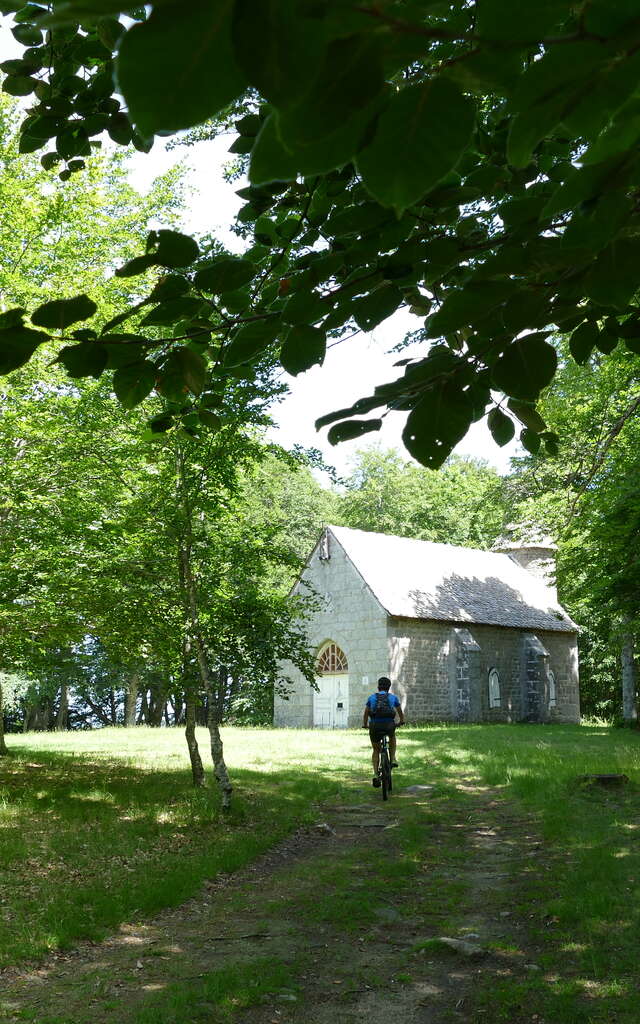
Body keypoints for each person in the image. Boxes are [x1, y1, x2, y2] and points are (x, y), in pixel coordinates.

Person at [363, 676, 405, 787]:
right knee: (392, 736)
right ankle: (393, 759)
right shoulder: (393, 698)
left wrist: (365, 724)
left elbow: (366, 713)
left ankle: (376, 774)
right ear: (389, 687)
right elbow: (400, 712)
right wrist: (401, 721)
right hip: (388, 725)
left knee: (376, 749)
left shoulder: (371, 698)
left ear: (378, 687)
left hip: (375, 726)